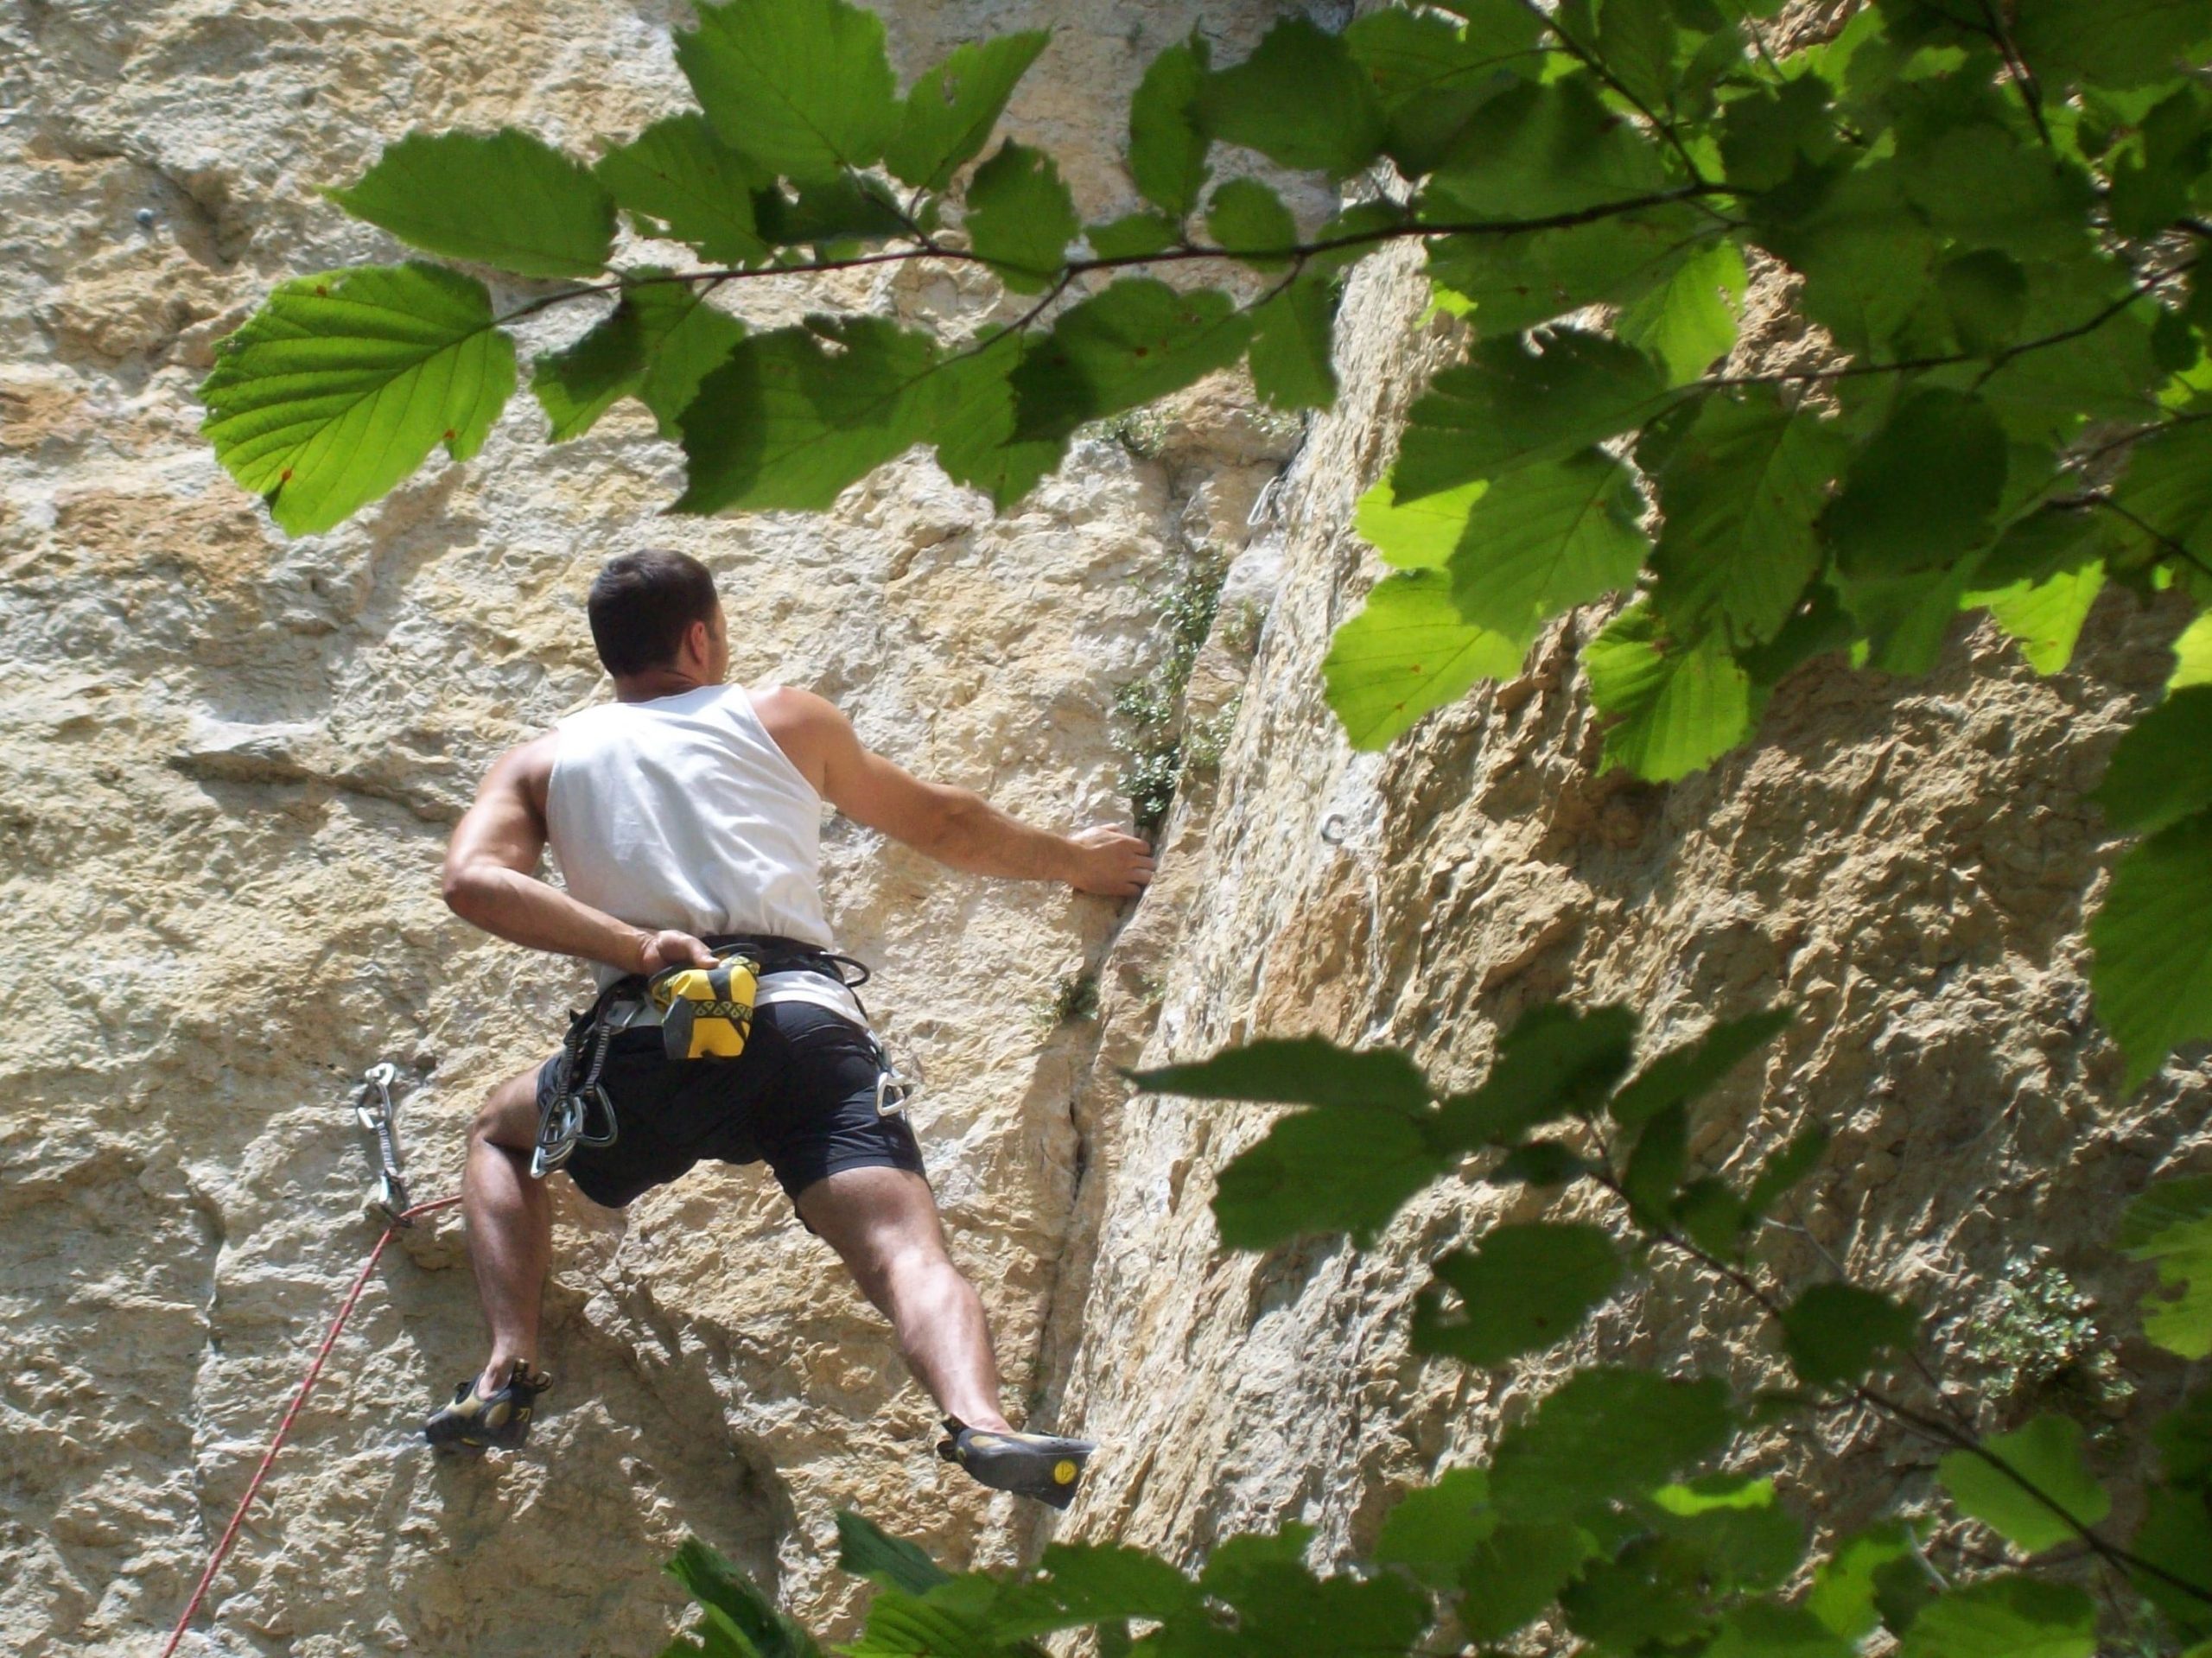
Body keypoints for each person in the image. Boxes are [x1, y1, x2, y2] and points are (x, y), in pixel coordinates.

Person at [429, 548, 1154, 1508]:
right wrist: (1075, 861)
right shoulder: (780, 716)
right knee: (904, 1248)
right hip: (801, 1023)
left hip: (651, 1043)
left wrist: (638, 946)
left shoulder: (540, 762)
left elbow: (472, 883)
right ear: (700, 635)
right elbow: (944, 821)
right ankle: (981, 1420)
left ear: (611, 654)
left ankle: (507, 1368)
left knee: (499, 1127)